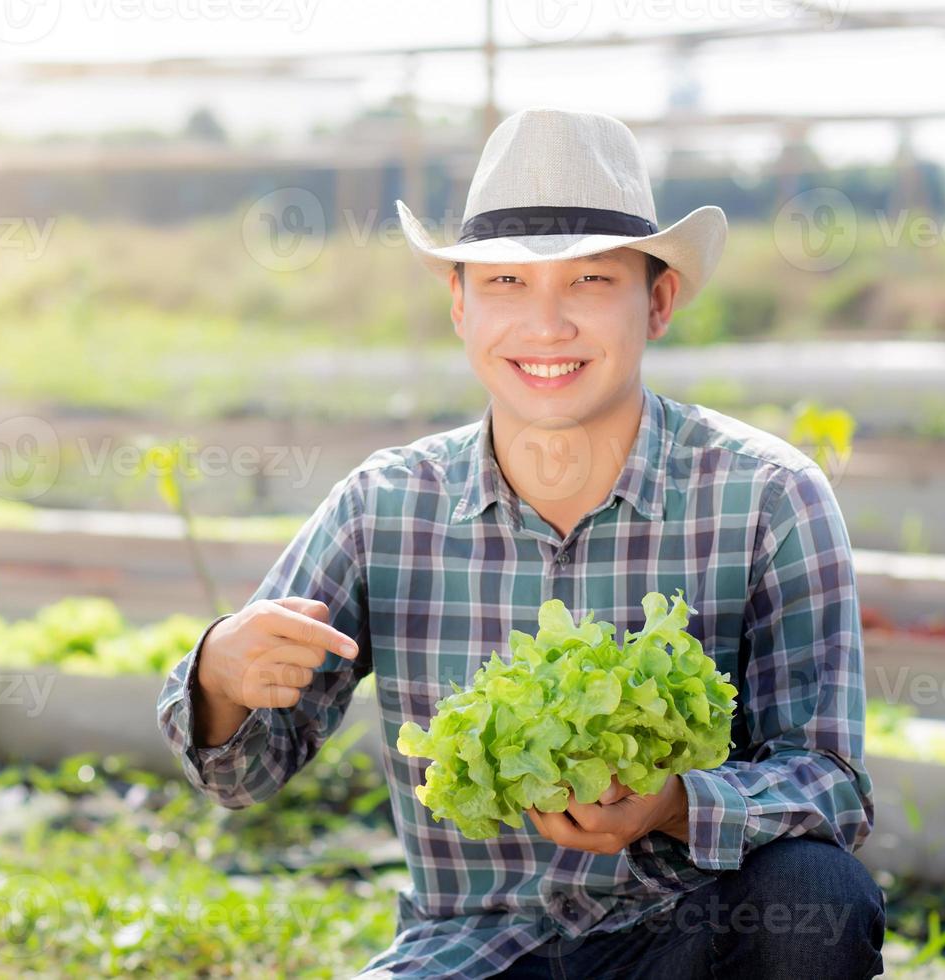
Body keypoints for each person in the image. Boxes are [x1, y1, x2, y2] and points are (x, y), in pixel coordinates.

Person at [157, 107, 884, 979]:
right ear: (459, 307)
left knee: (817, 893)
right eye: (505, 283)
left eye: (587, 283)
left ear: (656, 302)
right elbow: (245, 776)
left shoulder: (769, 497)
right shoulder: (384, 507)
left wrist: (673, 805)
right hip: (470, 951)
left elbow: (831, 784)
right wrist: (219, 676)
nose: (545, 327)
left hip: (691, 940)